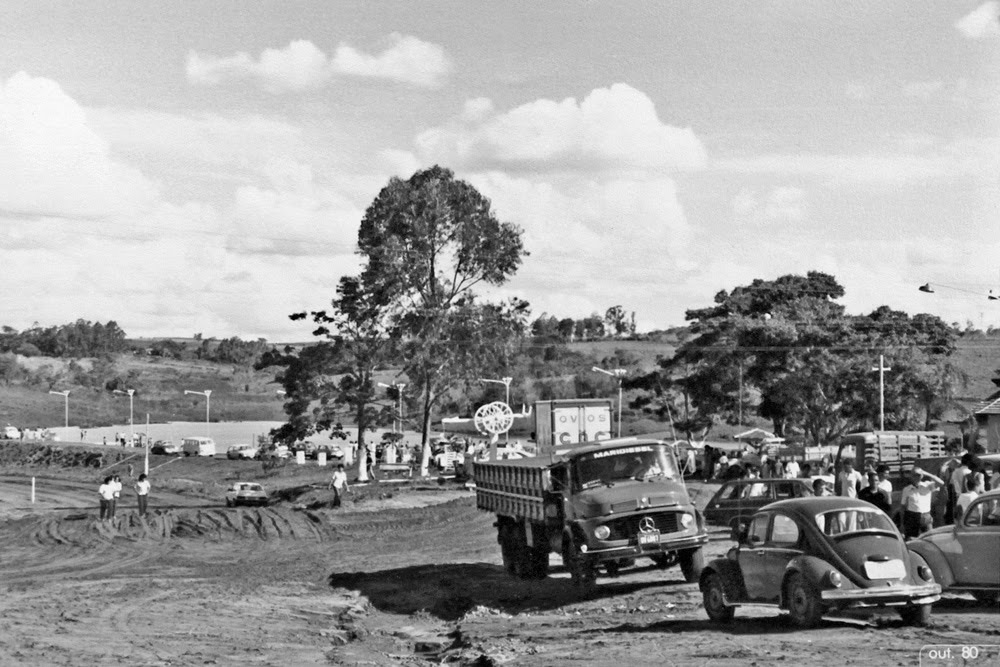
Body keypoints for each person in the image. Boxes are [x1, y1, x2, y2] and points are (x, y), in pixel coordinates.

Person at [900, 467, 945, 539]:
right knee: (911, 538)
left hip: (925, 516)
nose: (916, 477)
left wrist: (926, 473)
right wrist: (902, 523)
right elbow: (903, 506)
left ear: (922, 476)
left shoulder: (927, 485)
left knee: (929, 538)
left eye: (918, 475)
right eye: (914, 475)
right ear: (911, 476)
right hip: (912, 516)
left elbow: (941, 483)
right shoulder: (907, 489)